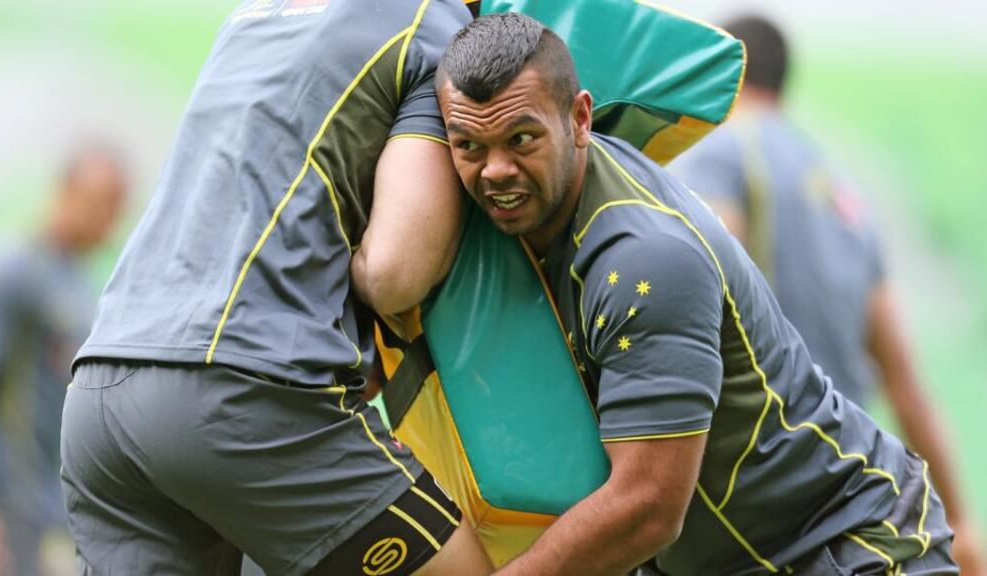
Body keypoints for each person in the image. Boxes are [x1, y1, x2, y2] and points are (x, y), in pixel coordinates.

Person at [435, 13, 956, 575]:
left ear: (580, 119)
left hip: (853, 548)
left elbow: (647, 508)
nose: (496, 171)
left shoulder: (646, 260)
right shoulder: (556, 195)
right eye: (468, 145)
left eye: (521, 139)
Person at [59, 0, 492, 574]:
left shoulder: (249, 17)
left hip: (99, 395)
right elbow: (393, 274)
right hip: (237, 390)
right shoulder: (430, 25)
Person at [670, 15, 983, 574]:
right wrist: (963, 521)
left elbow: (696, 284)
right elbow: (906, 384)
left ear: (725, 72)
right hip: (856, 506)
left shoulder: (721, 153)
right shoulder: (843, 190)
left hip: (769, 505)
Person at [0, 144, 127, 575]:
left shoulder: (80, 281)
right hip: (6, 505)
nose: (108, 221)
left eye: (116, 208)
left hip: (51, 507)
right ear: (67, 191)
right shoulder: (13, 268)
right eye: (101, 204)